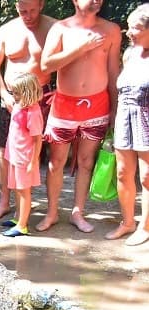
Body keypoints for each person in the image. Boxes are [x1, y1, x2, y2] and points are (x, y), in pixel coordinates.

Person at [39, 0, 121, 233]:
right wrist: (81, 48)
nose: (96, 1)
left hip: (97, 104)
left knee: (86, 162)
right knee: (56, 162)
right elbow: (46, 65)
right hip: (65, 104)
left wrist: (115, 108)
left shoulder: (111, 30)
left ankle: (78, 212)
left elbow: (114, 71)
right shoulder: (61, 28)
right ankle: (52, 212)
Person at [0, 0, 56, 222]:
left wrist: (61, 91)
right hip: (11, 99)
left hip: (43, 97)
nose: (28, 15)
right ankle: (5, 202)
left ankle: (40, 209)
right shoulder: (6, 30)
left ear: (42, 4)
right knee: (6, 152)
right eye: (23, 10)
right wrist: (4, 94)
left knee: (42, 154)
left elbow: (68, 64)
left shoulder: (55, 28)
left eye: (33, 10)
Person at [106, 4, 149, 246]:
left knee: (147, 177)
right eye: (129, 26)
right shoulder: (130, 53)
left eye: (136, 28)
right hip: (124, 116)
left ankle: (146, 226)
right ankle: (128, 221)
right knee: (123, 172)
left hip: (146, 117)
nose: (129, 32)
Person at [0, 73, 44, 237]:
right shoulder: (20, 106)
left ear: (27, 93)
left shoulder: (33, 112)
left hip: (24, 157)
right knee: (17, 189)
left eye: (17, 93)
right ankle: (18, 217)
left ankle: (22, 225)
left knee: (23, 190)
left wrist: (33, 161)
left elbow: (37, 139)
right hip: (15, 154)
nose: (14, 96)